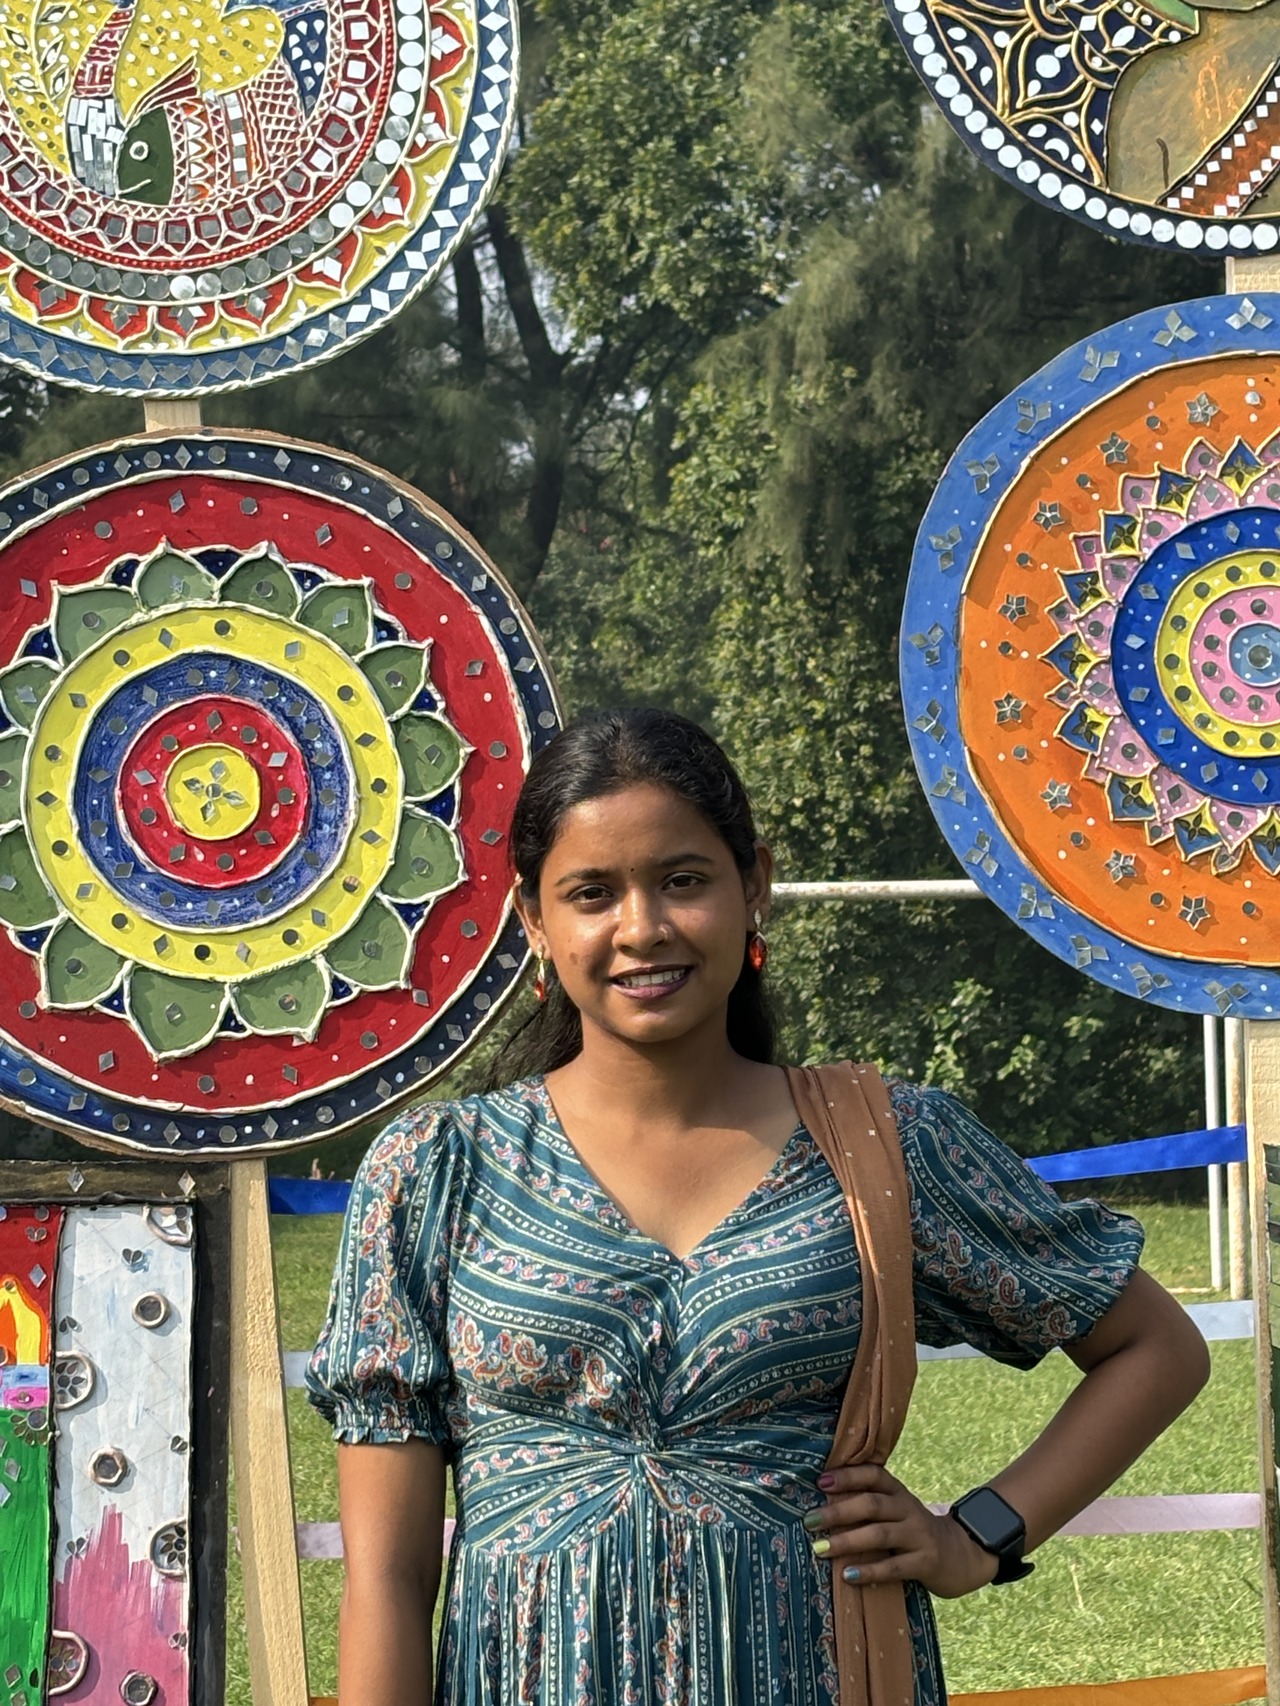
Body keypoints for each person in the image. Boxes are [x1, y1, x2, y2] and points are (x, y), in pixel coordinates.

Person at [307, 706, 1210, 1706]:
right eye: (592, 892)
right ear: (534, 920)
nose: (642, 928)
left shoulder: (881, 1146)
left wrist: (976, 1535)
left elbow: (1154, 1348)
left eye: (683, 880)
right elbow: (387, 1578)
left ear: (755, 886)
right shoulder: (437, 1169)